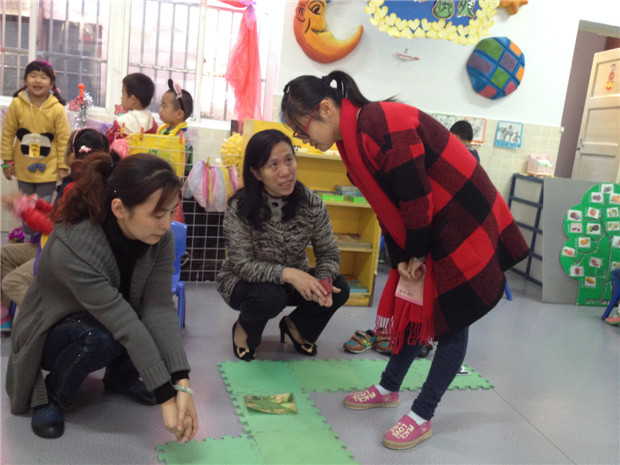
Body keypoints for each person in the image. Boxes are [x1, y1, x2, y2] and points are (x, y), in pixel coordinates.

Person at [281, 70, 528, 450]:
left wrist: (414, 252)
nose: (305, 140)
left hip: (462, 219)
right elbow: (386, 204)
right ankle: (389, 387)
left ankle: (422, 414)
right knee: (413, 308)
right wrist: (401, 257)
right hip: (434, 222)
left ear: (325, 109)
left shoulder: (378, 124)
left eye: (302, 130)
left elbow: (415, 198)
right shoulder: (351, 139)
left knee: (451, 322)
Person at [5, 152, 198, 442]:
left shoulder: (160, 238)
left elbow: (158, 306)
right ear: (119, 208)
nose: (166, 224)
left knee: (144, 319)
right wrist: (165, 394)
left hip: (107, 317)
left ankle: (120, 377)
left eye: (172, 212)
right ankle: (53, 395)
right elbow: (122, 320)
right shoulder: (75, 243)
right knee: (100, 337)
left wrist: (181, 383)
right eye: (158, 215)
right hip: (51, 330)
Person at [216, 129, 350, 361]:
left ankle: (296, 327)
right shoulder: (240, 207)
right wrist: (289, 274)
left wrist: (323, 282)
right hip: (244, 282)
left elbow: (328, 252)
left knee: (339, 288)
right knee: (271, 296)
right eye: (273, 165)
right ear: (256, 173)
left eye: (289, 160)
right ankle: (244, 329)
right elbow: (243, 265)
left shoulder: (311, 203)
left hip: (291, 281)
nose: (286, 171)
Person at [1, 129, 111, 333]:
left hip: (59, 253)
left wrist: (23, 209)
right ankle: (6, 315)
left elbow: (54, 227)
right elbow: (61, 215)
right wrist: (37, 203)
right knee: (4, 254)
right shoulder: (89, 183)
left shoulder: (76, 189)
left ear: (73, 155)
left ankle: (47, 318)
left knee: (12, 282)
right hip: (53, 246)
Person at [1, 60, 71, 230]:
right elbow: (7, 134)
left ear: (51, 84)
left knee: (42, 211)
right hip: (23, 169)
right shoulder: (17, 104)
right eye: (33, 76)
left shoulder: (57, 109)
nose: (38, 80)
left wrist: (63, 167)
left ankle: (39, 241)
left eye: (43, 77)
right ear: (25, 80)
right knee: (24, 208)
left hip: (49, 171)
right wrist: (7, 162)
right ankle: (27, 240)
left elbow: (64, 140)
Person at [106, 72, 158, 144]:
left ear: (133, 100)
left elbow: (106, 142)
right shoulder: (153, 124)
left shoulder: (121, 123)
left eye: (123, 94)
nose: (121, 97)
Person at [157, 79, 194, 177]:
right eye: (161, 105)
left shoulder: (182, 138)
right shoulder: (164, 131)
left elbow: (180, 169)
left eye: (164, 106)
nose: (160, 110)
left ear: (179, 114)